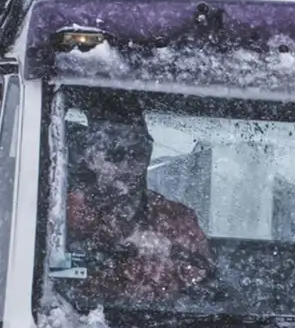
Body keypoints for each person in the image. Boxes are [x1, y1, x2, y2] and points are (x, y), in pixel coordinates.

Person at [65, 106, 212, 303]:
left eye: (137, 154)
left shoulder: (176, 217)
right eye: (115, 156)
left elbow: (205, 279)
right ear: (90, 158)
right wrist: (121, 246)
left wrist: (168, 256)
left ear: (148, 155)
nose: (127, 166)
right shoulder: (63, 213)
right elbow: (55, 275)